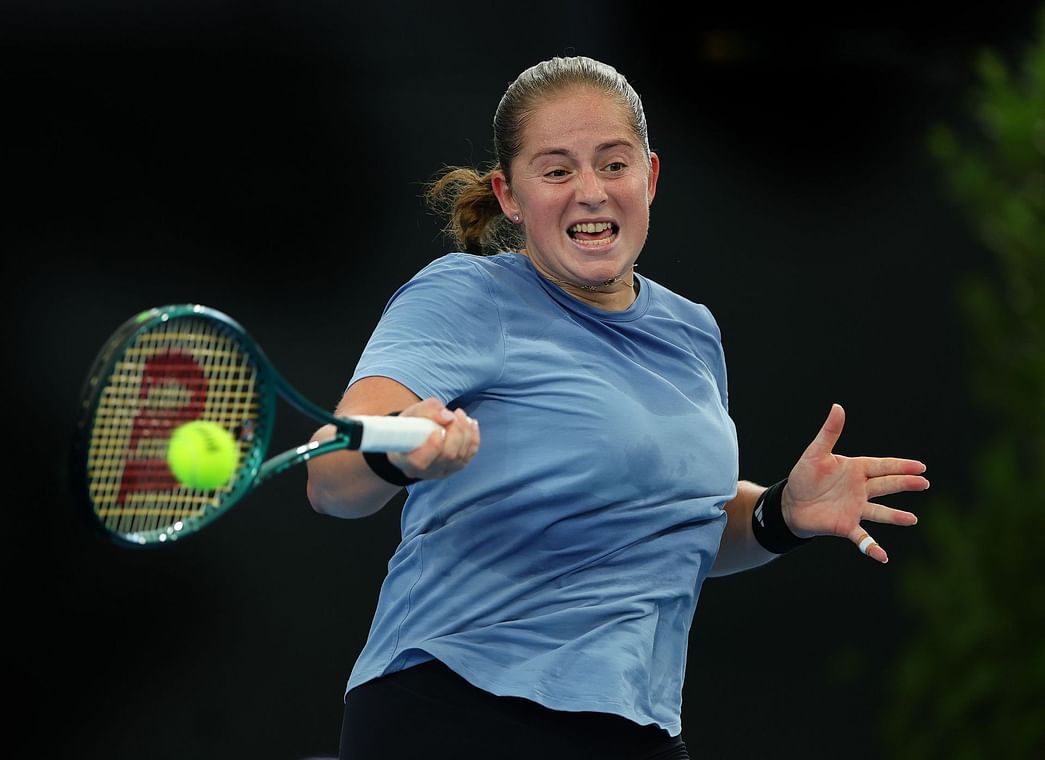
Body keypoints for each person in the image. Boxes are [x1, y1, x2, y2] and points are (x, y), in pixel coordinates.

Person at [305, 55, 928, 760]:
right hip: (455, 708)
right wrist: (397, 453)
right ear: (509, 195)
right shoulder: (464, 296)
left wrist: (776, 514)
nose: (590, 192)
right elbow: (330, 478)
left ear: (649, 177)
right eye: (557, 170)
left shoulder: (691, 332)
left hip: (635, 726)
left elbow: (667, 527)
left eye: (612, 163)